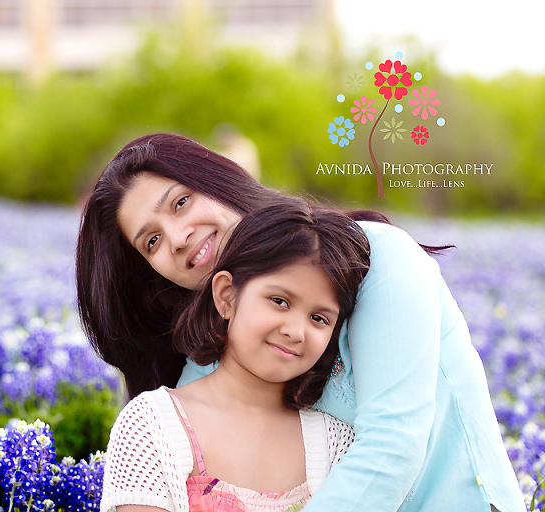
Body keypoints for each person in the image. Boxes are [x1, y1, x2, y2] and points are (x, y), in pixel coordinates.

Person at [76, 133, 524, 511]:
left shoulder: (379, 257)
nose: (177, 238)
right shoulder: (204, 366)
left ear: (220, 181)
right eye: (151, 241)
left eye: (180, 202)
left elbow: (394, 443)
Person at [101, 200, 369, 512]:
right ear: (227, 295)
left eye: (319, 319)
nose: (297, 331)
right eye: (280, 301)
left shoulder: (336, 443)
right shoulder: (152, 425)